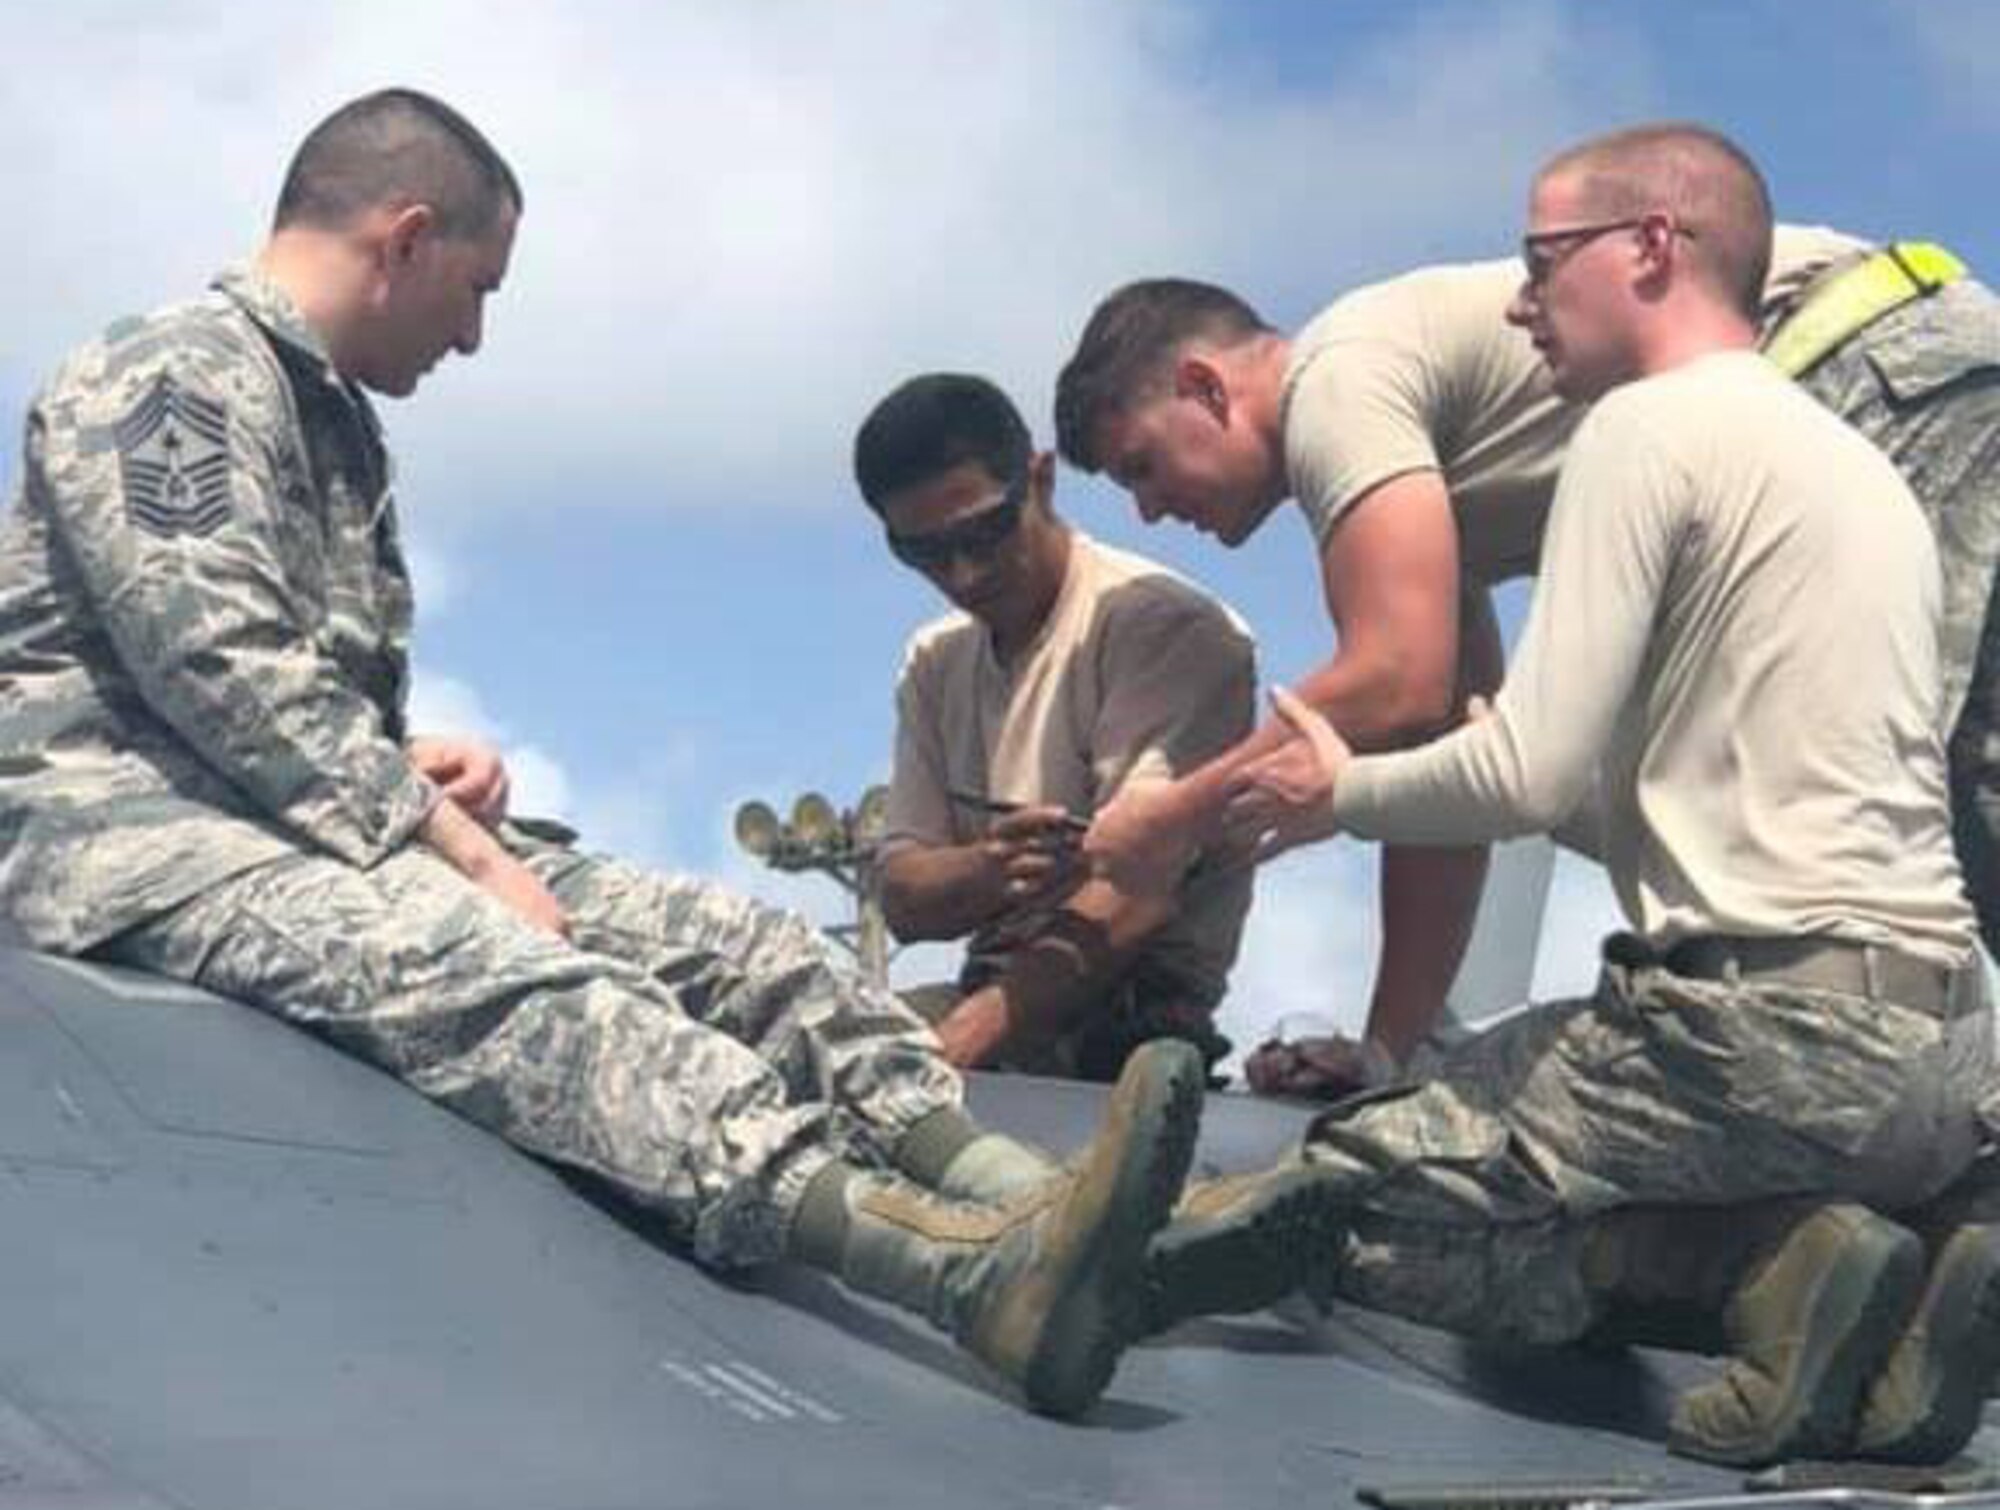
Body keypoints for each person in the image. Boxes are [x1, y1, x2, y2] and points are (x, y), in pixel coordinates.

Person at [0, 87, 1206, 1421]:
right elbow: (212, 658)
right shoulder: (175, 373)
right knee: (506, 973)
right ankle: (955, 1273)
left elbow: (285, 693)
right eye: (475, 286)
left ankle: (1027, 1200)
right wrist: (451, 845)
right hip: (125, 832)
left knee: (739, 948)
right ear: (403, 238)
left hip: (296, 812)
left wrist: (418, 765)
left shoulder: (327, 418)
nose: (473, 332)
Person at [1138, 124, 2000, 1467]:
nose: (1517, 301)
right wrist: (1480, 762)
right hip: (1946, 1057)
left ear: (1653, 248)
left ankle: (1763, 1268)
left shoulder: (1641, 429)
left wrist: (1343, 787)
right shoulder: (1869, 478)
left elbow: (1532, 770)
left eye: (1543, 263)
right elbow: (1633, 801)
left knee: (1343, 1200)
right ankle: (1928, 1255)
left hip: (1757, 1042)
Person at [1055, 195, 2000, 1096]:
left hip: (1860, 360)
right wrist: (1388, 1054)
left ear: (1203, 388)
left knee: (1899, 796)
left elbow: (1392, 677)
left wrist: (1171, 817)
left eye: (1143, 464)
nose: (1149, 509)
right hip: (1892, 362)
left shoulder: (1335, 384)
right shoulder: (1415, 491)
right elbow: (1437, 739)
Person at [854, 373, 1256, 1080]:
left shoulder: (1163, 629)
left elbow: (1134, 899)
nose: (964, 571)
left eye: (983, 532)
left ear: (1040, 480)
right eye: (924, 553)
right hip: (985, 991)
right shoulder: (934, 660)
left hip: (1130, 1019)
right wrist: (985, 871)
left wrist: (952, 1051)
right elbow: (905, 896)